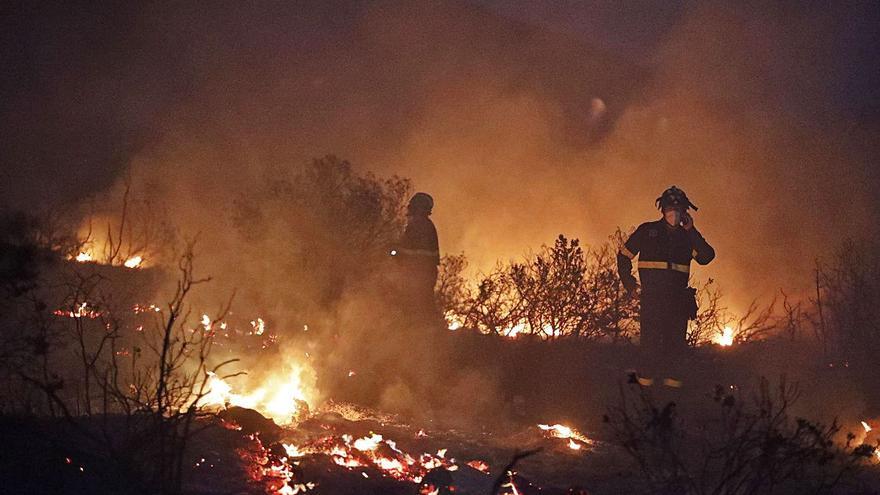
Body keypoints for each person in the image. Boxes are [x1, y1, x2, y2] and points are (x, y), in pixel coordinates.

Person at [617, 186, 715, 356]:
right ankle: (647, 374)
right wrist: (630, 285)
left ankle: (671, 374)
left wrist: (691, 231)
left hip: (678, 304)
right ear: (663, 209)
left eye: (678, 209)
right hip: (652, 302)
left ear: (684, 212)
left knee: (675, 354)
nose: (674, 213)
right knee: (650, 352)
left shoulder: (686, 238)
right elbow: (623, 256)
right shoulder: (647, 231)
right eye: (670, 208)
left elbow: (706, 257)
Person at [391, 192, 440, 323]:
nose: (410, 209)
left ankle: (424, 329)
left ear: (419, 208)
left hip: (420, 273)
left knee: (418, 304)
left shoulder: (420, 226)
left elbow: (415, 252)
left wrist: (396, 252)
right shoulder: (422, 225)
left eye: (413, 206)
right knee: (423, 303)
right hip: (423, 272)